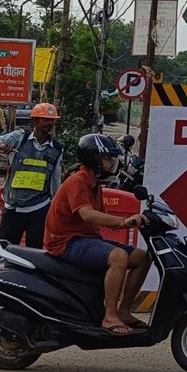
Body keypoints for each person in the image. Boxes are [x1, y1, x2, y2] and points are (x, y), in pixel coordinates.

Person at [44, 133, 147, 335]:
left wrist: (138, 219)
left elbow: (101, 216)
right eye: (108, 158)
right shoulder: (78, 182)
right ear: (94, 160)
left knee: (142, 257)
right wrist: (123, 222)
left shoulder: (95, 184)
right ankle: (110, 316)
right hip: (66, 242)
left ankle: (124, 311)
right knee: (119, 257)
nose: (112, 163)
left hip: (86, 239)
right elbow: (87, 214)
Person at [0, 103, 63, 249]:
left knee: (35, 251)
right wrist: (1, 146)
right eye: (45, 119)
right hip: (14, 205)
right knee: (4, 249)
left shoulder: (57, 149)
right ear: (35, 121)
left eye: (52, 120)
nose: (50, 123)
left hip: (40, 207)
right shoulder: (20, 138)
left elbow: (55, 179)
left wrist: (56, 205)